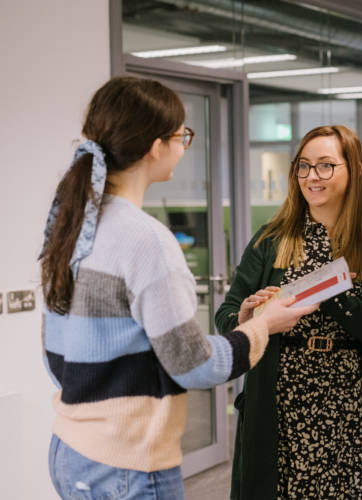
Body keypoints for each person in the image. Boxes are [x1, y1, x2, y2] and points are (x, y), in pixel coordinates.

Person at [39, 76, 318, 500]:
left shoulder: (72, 224)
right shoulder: (145, 239)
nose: (184, 147)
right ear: (156, 146)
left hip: (71, 451)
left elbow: (58, 356)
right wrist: (263, 326)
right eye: (181, 135)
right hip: (127, 465)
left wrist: (238, 327)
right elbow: (196, 366)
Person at [215, 125, 362, 500]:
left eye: (326, 166)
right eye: (304, 166)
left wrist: (328, 287)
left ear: (355, 170)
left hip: (345, 406)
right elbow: (227, 313)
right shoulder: (271, 240)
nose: (312, 177)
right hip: (280, 402)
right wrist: (248, 315)